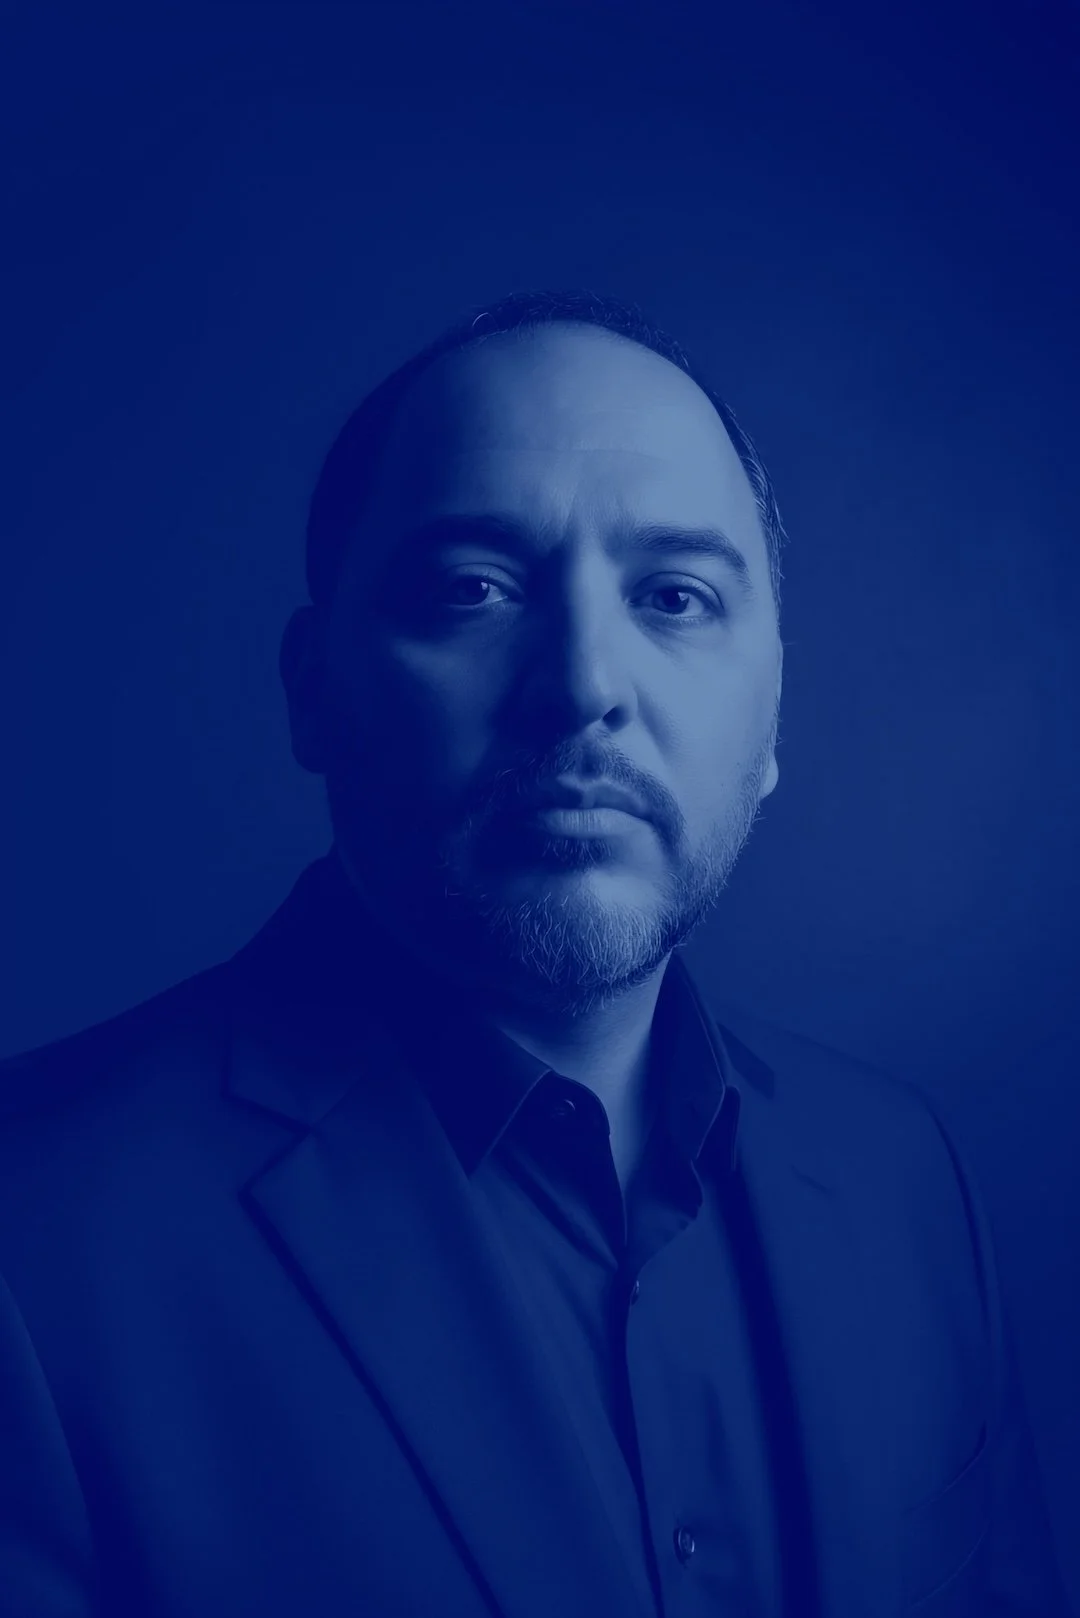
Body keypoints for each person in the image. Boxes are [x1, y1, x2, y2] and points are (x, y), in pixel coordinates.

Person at [0, 288, 1067, 1618]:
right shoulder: (33, 1242)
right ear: (314, 691)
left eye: (675, 596)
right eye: (473, 588)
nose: (582, 685)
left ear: (773, 714)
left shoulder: (906, 1181)